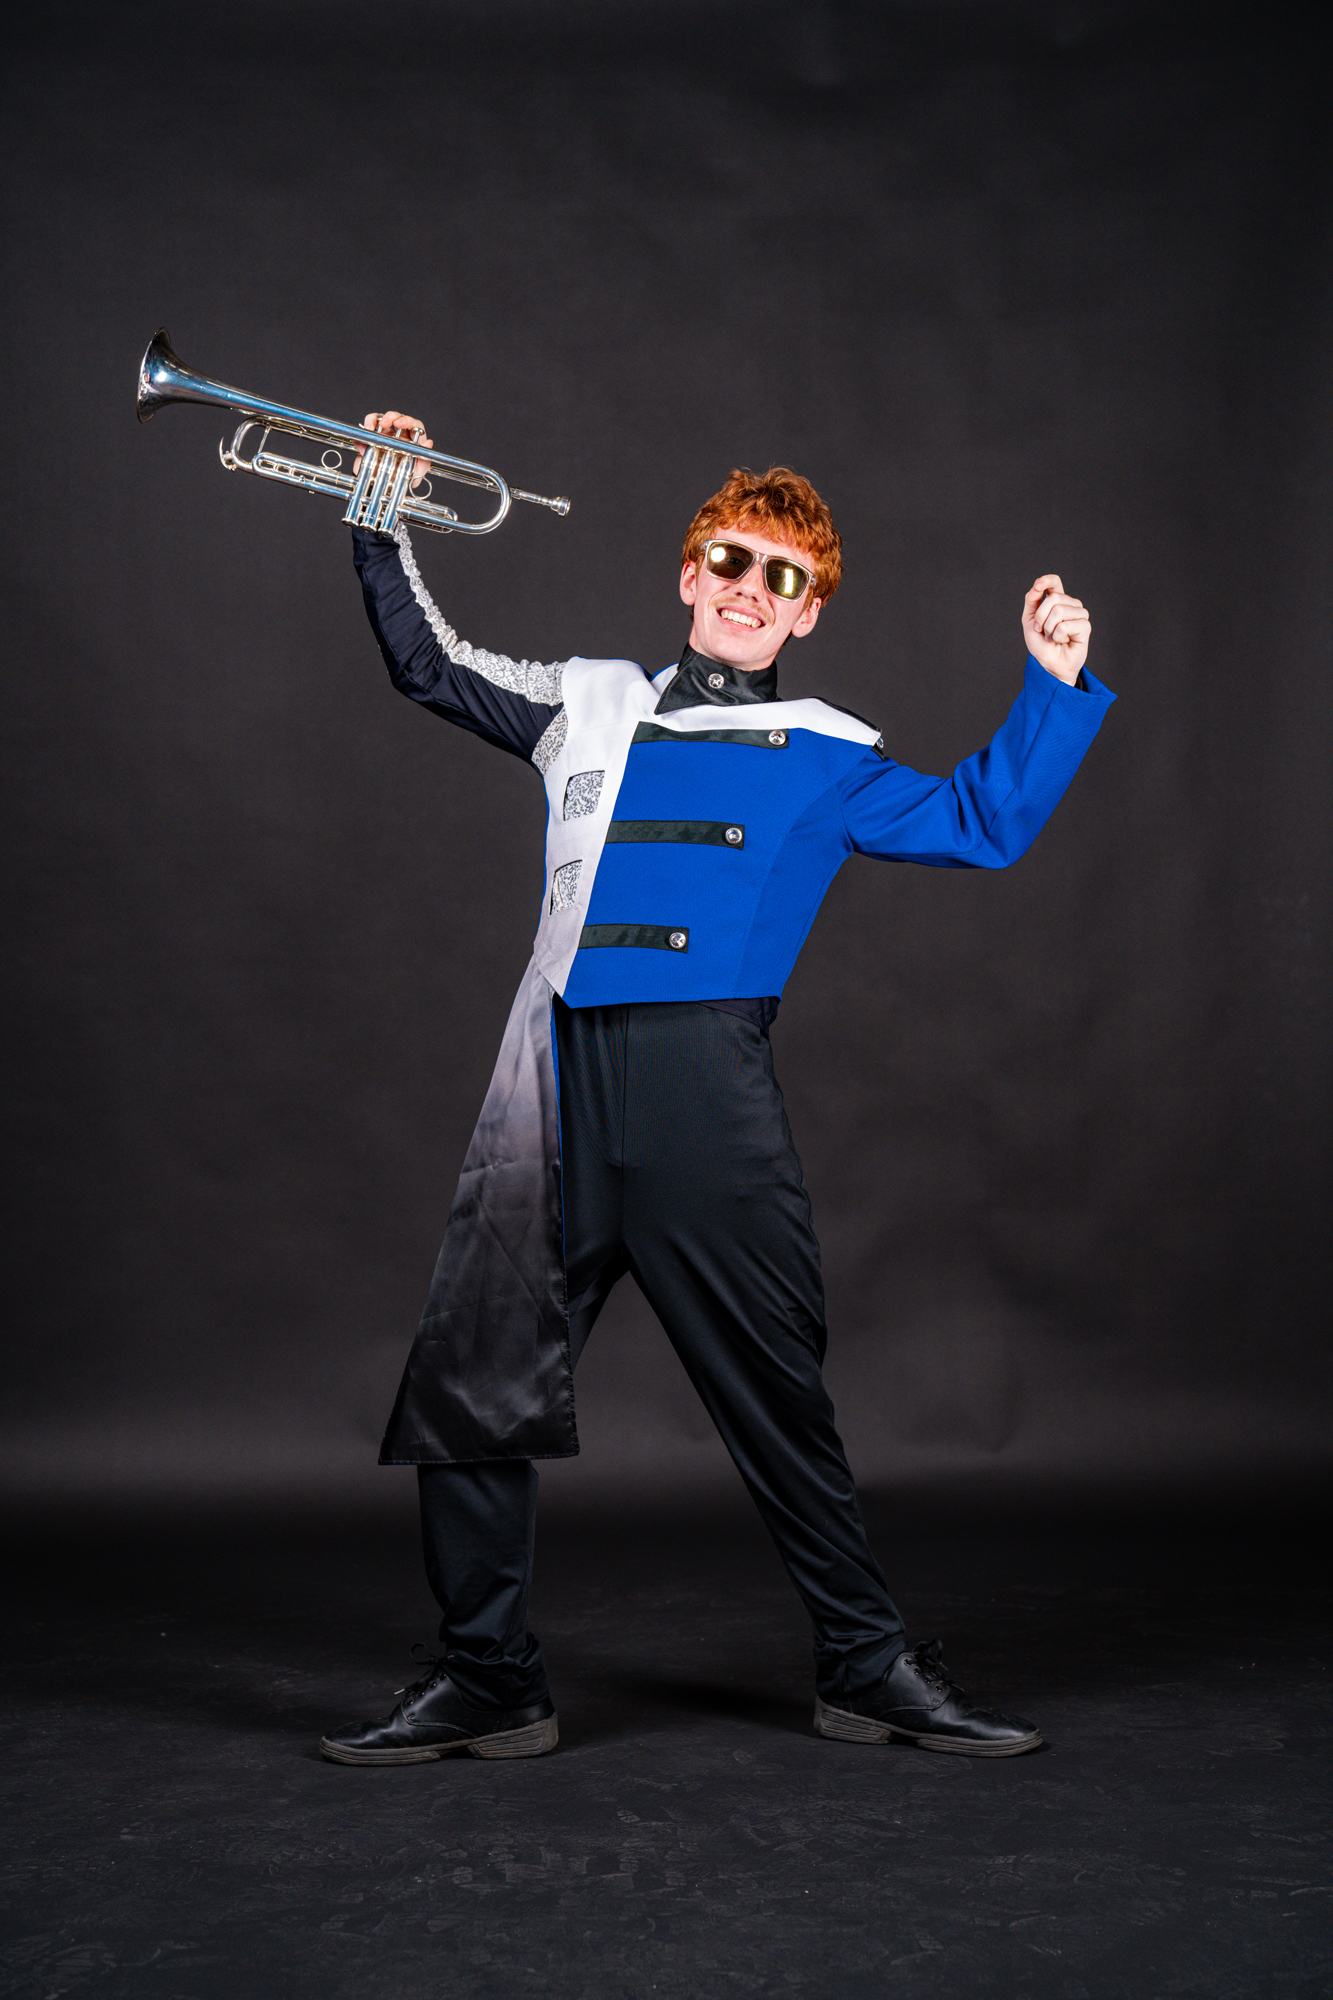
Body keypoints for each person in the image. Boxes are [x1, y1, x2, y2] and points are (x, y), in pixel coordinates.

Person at [320, 415, 1114, 1766]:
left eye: (782, 577)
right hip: (558, 1090)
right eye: (731, 561)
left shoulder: (828, 752)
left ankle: (866, 1667)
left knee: (778, 1406)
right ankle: (489, 1678)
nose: (751, 588)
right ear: (690, 573)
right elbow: (427, 664)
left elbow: (982, 821)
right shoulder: (584, 703)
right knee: (472, 1383)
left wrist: (1051, 687)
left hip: (708, 1106)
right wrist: (378, 512)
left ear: (806, 613)